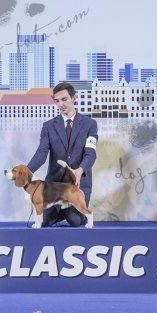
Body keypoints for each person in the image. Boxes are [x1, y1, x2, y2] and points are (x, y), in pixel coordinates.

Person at [27, 82, 98, 227]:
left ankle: (71, 212)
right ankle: (60, 209)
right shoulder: (48, 126)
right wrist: (26, 172)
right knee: (44, 222)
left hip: (77, 183)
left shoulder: (90, 124)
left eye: (64, 99)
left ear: (74, 98)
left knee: (75, 221)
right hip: (53, 186)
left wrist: (80, 170)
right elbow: (41, 153)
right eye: (57, 101)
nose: (60, 104)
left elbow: (90, 154)